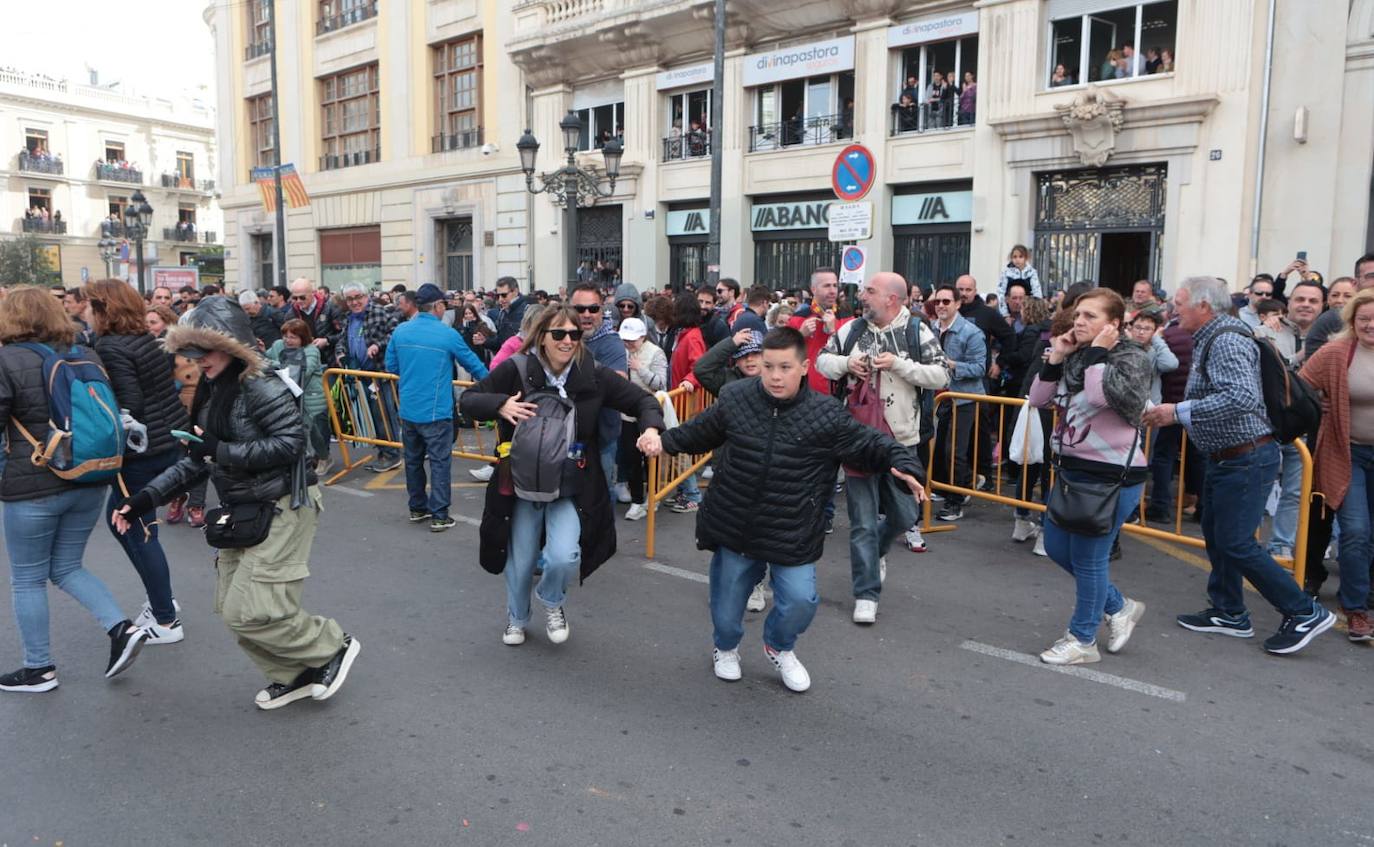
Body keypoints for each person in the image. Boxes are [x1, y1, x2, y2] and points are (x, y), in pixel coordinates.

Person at [639, 327, 927, 692]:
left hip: (792, 527)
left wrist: (905, 465)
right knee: (727, 610)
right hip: (736, 524)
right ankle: (725, 648)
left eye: (785, 367)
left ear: (805, 367)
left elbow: (873, 443)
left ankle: (779, 645)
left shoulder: (826, 414)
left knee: (800, 602)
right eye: (768, 366)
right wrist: (660, 439)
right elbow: (698, 432)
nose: (775, 376)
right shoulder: (735, 397)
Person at [112, 296, 360, 710]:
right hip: (243, 509)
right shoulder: (212, 393)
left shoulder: (262, 384)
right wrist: (144, 500)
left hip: (283, 504)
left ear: (229, 346)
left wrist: (222, 450)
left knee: (254, 608)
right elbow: (198, 458)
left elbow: (292, 444)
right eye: (189, 351)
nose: (196, 360)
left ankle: (331, 646)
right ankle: (292, 674)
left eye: (202, 350)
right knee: (231, 609)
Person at [1142, 276, 1335, 655]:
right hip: (1228, 456)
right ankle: (1229, 611)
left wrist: (1176, 412)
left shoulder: (1226, 338)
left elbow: (1240, 398)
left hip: (1245, 457)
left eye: (1179, 303)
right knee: (1218, 534)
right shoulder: (1215, 334)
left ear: (1203, 306)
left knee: (1236, 541)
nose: (1172, 310)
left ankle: (1303, 611)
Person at [459, 305, 665, 646]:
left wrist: (652, 431)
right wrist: (500, 405)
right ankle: (517, 618)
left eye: (574, 334)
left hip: (571, 483)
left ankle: (552, 600)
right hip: (522, 482)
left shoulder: (593, 374)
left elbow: (643, 402)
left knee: (564, 555)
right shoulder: (517, 369)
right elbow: (468, 399)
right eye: (559, 334)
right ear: (541, 336)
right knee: (521, 561)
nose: (568, 340)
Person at [0, 288, 148, 692]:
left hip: (31, 485)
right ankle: (121, 628)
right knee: (66, 566)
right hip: (89, 477)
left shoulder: (6, 360)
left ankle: (38, 669)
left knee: (27, 579)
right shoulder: (85, 353)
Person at [1029, 288, 1153, 664]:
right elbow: (1037, 399)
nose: (1079, 321)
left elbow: (1101, 398)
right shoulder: (1076, 355)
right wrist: (1058, 357)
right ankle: (1118, 606)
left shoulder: (1131, 357)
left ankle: (1083, 640)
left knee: (1089, 559)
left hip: (1113, 475)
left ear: (1113, 325)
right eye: (1078, 314)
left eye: (1090, 317)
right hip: (1072, 470)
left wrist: (1098, 352)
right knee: (1055, 546)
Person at [817, 272, 948, 624]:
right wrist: (847, 364)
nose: (862, 295)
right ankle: (866, 593)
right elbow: (821, 361)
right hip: (857, 440)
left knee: (905, 515)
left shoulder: (916, 331)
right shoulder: (852, 330)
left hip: (901, 442)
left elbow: (942, 376)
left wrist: (900, 365)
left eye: (870, 291)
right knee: (861, 522)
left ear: (892, 298)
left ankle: (875, 552)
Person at [83, 279, 190, 645]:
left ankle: (165, 618)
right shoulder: (143, 337)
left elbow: (131, 403)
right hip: (167, 441)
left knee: (136, 527)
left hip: (142, 450)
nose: (84, 311)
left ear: (102, 309)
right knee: (134, 525)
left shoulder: (110, 345)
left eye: (89, 306)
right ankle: (162, 602)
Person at [1297, 288, 1374, 641]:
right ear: (1352, 321)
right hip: (1349, 453)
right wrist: (1317, 404)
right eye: (1364, 319)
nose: (1370, 325)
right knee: (1356, 531)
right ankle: (1356, 610)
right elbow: (1297, 387)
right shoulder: (1336, 352)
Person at [386, 283, 489, 532]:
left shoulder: (401, 332)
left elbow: (391, 367)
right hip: (436, 411)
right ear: (438, 306)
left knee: (412, 461)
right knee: (440, 463)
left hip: (409, 408)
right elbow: (474, 365)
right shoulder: (447, 334)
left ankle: (417, 507)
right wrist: (495, 386)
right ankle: (440, 515)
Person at [929, 284, 987, 521]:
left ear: (957, 304)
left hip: (964, 398)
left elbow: (980, 367)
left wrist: (953, 365)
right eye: (938, 302)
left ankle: (955, 502)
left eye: (946, 302)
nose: (941, 306)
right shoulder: (932, 329)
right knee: (940, 446)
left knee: (956, 450)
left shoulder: (971, 332)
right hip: (940, 396)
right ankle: (951, 487)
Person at [617, 317, 667, 520]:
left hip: (649, 413)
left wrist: (640, 368)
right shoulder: (620, 351)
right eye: (625, 339)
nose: (628, 343)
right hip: (626, 413)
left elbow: (661, 383)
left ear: (643, 336)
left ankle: (652, 497)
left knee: (651, 458)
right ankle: (637, 501)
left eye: (632, 340)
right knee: (631, 458)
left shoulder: (656, 352)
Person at [266, 319, 329, 475]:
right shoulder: (278, 345)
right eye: (286, 336)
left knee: (310, 431)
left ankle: (320, 459)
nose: (288, 340)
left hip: (309, 398)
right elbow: (264, 360)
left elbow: (301, 371)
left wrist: (274, 364)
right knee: (299, 431)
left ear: (303, 338)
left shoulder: (311, 350)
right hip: (286, 396)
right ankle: (303, 461)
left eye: (293, 337)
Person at [996, 246, 1043, 316]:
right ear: (1011, 258)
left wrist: (1034, 312)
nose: (1017, 259)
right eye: (1015, 257)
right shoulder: (1006, 272)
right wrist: (1005, 314)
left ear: (1026, 258)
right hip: (1010, 309)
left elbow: (1037, 292)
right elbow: (1000, 293)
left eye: (1020, 257)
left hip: (1027, 310)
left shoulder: (1032, 272)